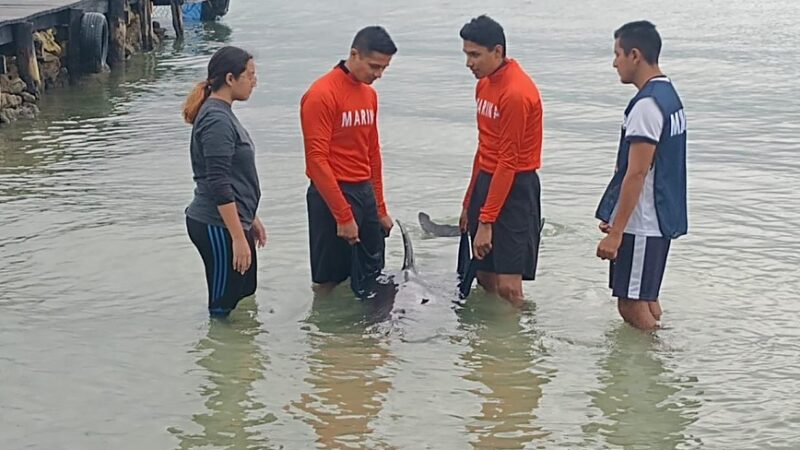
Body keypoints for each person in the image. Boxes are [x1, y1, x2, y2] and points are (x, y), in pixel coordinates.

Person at [595, 21, 688, 330]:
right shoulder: (669, 96)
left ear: (635, 55)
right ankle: (656, 364)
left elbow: (636, 172)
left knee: (631, 305)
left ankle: (656, 365)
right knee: (647, 298)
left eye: (617, 54)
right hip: (660, 216)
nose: (614, 63)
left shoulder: (647, 106)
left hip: (644, 221)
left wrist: (617, 231)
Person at [300, 26, 397, 296]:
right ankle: (326, 335)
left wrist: (379, 207)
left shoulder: (369, 95)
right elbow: (316, 161)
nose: (378, 75)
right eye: (374, 66)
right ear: (354, 54)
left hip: (363, 191)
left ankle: (364, 338)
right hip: (331, 194)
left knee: (372, 277)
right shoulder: (321, 94)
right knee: (328, 282)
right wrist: (342, 215)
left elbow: (372, 153)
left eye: (384, 68)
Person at [458, 15, 544, 305]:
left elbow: (508, 161)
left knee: (509, 284)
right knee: (483, 275)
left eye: (475, 55)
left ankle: (519, 341)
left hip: (516, 185)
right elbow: (484, 148)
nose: (469, 63)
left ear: (497, 51)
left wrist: (486, 221)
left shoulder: (516, 93)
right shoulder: (483, 85)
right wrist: (469, 202)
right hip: (487, 179)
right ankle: (492, 346)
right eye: (466, 54)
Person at [183, 46, 266, 316]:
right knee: (223, 307)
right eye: (250, 75)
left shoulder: (223, 113)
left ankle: (245, 355)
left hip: (234, 221)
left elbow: (234, 174)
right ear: (230, 79)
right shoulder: (216, 119)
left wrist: (250, 217)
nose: (255, 81)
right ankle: (218, 354)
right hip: (215, 225)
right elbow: (218, 183)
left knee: (245, 292)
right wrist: (237, 237)